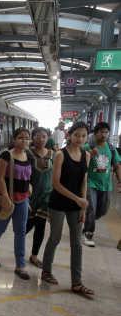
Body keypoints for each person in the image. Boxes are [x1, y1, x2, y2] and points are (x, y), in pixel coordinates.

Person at [41, 122, 94, 298]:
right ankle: (46, 271)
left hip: (76, 205)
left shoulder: (86, 155)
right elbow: (56, 184)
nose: (80, 139)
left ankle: (76, 283)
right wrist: (77, 199)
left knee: (77, 244)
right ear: (69, 135)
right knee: (55, 238)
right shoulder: (59, 155)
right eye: (77, 135)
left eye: (84, 136)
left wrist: (83, 205)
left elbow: (84, 181)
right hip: (58, 203)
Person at [0, 128, 32, 280]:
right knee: (1, 228)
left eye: (26, 138)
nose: (24, 141)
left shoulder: (28, 155)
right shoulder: (6, 155)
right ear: (14, 139)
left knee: (21, 232)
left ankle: (20, 265)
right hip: (8, 200)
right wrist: (5, 196)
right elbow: (0, 178)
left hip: (23, 200)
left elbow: (27, 177)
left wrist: (28, 192)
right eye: (20, 138)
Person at [82, 122, 121, 247]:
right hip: (90, 183)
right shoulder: (88, 147)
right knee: (92, 208)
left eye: (106, 132)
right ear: (96, 133)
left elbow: (117, 165)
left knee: (103, 210)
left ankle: (89, 220)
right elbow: (79, 164)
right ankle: (88, 233)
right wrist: (89, 156)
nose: (104, 135)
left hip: (106, 184)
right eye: (101, 132)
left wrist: (120, 180)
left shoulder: (111, 148)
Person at [25, 127, 53, 268]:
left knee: (40, 227)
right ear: (33, 137)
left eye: (44, 136)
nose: (41, 139)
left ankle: (34, 256)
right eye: (37, 136)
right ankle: (19, 251)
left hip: (46, 198)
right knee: (25, 226)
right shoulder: (27, 153)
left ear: (47, 138)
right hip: (30, 197)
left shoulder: (53, 154)